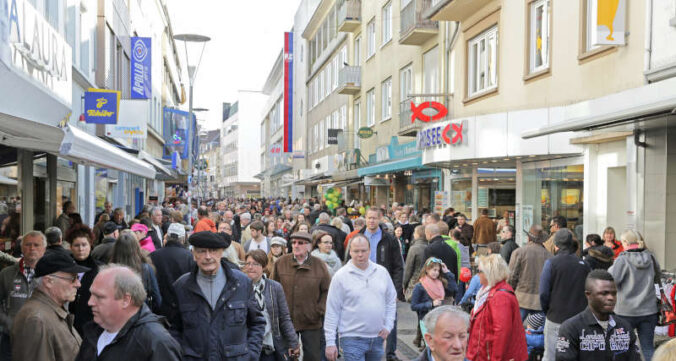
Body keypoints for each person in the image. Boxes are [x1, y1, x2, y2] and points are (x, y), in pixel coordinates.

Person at [171, 231, 266, 361]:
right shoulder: (182, 286)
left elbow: (257, 323)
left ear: (222, 253)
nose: (208, 256)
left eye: (213, 251)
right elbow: (175, 329)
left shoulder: (241, 283)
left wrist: (251, 355)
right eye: (202, 251)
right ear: (194, 254)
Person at [75, 265, 182, 361]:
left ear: (125, 300)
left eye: (99, 297)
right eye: (91, 295)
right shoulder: (93, 331)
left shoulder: (156, 342)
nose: (90, 302)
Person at [324, 234, 397, 361]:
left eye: (363, 251)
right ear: (350, 252)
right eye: (356, 251)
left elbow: (391, 300)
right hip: (351, 338)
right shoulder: (341, 276)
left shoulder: (381, 272)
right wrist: (330, 342)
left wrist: (388, 325)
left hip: (377, 338)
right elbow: (332, 310)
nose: (360, 254)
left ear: (370, 250)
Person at [11, 251, 89, 361]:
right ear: (48, 281)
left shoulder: (49, 311)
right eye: (72, 278)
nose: (78, 284)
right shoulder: (36, 320)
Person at [271, 231, 331, 361]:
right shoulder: (281, 263)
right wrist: (276, 312)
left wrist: (319, 310)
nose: (296, 245)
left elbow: (327, 291)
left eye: (300, 243)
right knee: (286, 356)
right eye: (293, 242)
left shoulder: (319, 265)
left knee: (313, 356)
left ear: (309, 246)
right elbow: (272, 289)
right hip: (286, 321)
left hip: (311, 320)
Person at [555, 270, 640, 361]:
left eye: (614, 293)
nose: (611, 298)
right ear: (588, 295)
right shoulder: (571, 328)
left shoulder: (625, 327)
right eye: (604, 293)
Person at [357, 208, 404, 361]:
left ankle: (390, 353)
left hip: (384, 285)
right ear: (365, 218)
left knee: (390, 319)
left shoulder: (389, 239)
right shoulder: (357, 237)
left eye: (374, 218)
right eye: (369, 218)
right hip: (362, 285)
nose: (371, 221)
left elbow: (398, 266)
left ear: (380, 219)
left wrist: (396, 289)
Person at [608, 229, 660, 361]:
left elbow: (611, 280)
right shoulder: (651, 257)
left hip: (625, 312)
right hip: (649, 311)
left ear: (625, 242)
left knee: (622, 347)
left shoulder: (622, 260)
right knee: (648, 348)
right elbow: (657, 278)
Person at [539, 229, 591, 361]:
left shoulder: (551, 264)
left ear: (556, 245)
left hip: (556, 317)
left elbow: (544, 293)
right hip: (579, 317)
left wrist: (548, 310)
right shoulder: (584, 265)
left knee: (551, 355)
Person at [466, 254, 527, 361]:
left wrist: (496, 359)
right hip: (482, 353)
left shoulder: (500, 297)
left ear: (490, 274)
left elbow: (501, 333)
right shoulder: (487, 292)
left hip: (491, 356)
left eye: (479, 271)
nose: (477, 275)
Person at [243, 250, 300, 361]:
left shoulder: (274, 287)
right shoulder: (240, 286)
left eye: (255, 264)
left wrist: (293, 342)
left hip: (269, 345)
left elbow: (284, 317)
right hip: (247, 345)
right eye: (248, 263)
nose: (250, 267)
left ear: (263, 266)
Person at [0, 231, 46, 361]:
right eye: (28, 245)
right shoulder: (6, 274)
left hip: (41, 340)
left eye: (36, 245)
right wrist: (9, 323)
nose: (32, 248)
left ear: (44, 249)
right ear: (21, 248)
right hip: (10, 339)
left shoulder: (51, 275)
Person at [410, 258, 457, 351]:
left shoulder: (440, 283)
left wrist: (447, 272)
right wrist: (431, 304)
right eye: (434, 270)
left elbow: (454, 288)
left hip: (438, 321)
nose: (436, 273)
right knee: (431, 348)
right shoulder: (420, 286)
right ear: (427, 269)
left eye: (438, 270)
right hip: (426, 321)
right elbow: (414, 306)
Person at [149, 223, 195, 318]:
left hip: (158, 308)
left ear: (167, 237)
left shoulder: (153, 256)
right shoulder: (189, 257)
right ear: (183, 239)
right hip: (182, 307)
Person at [508, 224, 552, 321]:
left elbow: (512, 276)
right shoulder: (549, 256)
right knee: (538, 331)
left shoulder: (519, 252)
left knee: (516, 329)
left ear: (528, 238)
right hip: (540, 301)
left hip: (521, 298)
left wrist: (510, 291)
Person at [110, 231, 162, 313]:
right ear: (137, 248)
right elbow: (157, 298)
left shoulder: (110, 271)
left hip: (116, 315)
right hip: (140, 314)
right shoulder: (146, 268)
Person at [66, 224, 102, 335]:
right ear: (71, 247)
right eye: (77, 245)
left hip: (92, 325)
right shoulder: (64, 268)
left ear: (90, 245)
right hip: (67, 325)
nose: (81, 249)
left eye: (84, 245)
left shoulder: (100, 269)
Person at [404, 225, 428, 297]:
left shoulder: (414, 248)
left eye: (415, 232)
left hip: (414, 282)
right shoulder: (429, 246)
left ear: (418, 234)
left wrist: (404, 284)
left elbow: (408, 268)